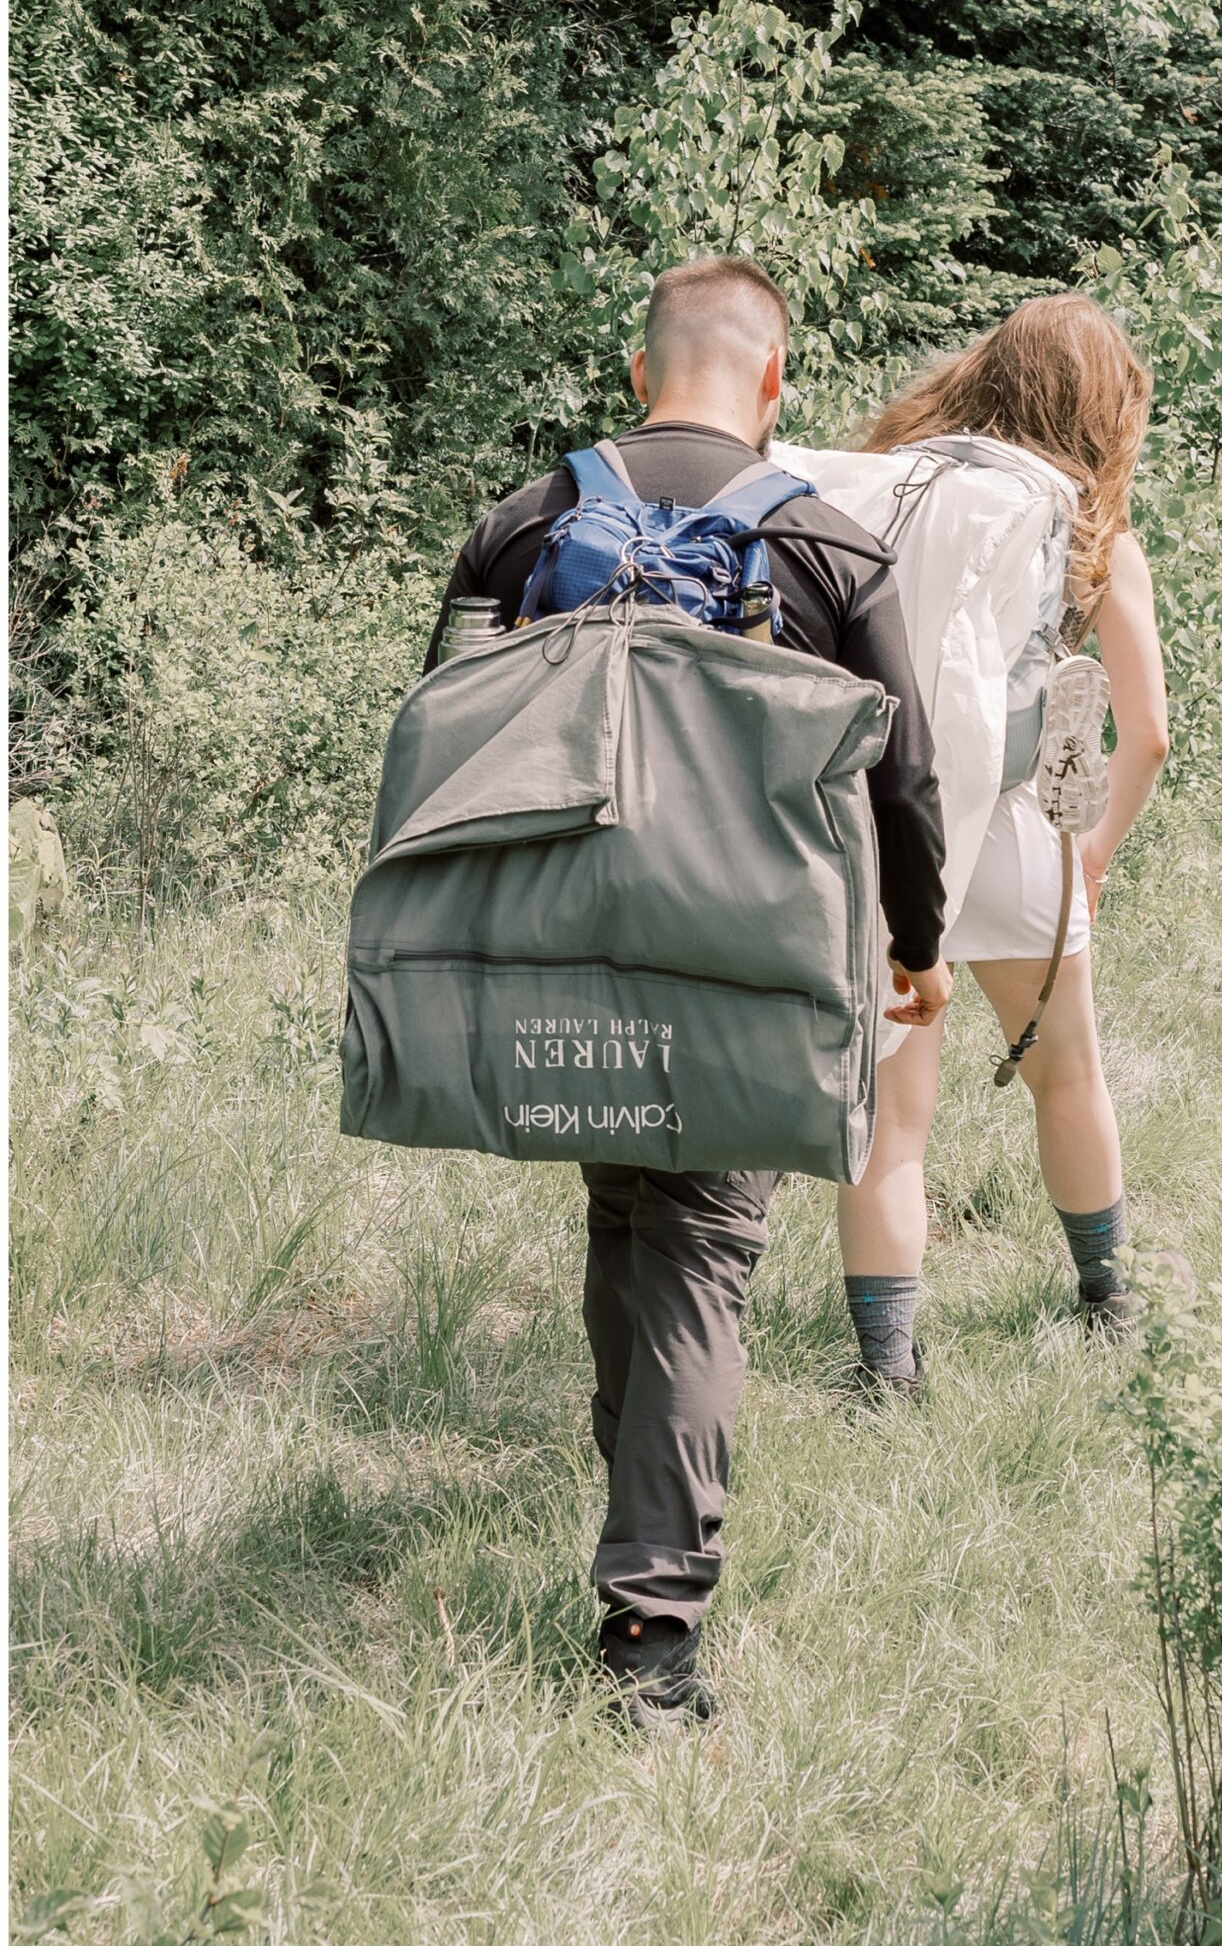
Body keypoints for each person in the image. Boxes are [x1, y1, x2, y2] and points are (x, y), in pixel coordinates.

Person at [427, 255, 952, 1724]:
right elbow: (904, 779)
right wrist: (917, 945)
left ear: (638, 367)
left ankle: (639, 1513)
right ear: (776, 381)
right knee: (703, 1254)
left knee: (627, 1213)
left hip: (569, 940)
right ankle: (653, 1637)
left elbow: (440, 728)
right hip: (750, 962)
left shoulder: (529, 523)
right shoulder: (833, 551)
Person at [798, 295, 1170, 1388]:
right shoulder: (1093, 541)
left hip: (888, 824)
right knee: (1066, 1075)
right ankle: (1108, 1297)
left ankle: (887, 1365)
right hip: (1016, 834)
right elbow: (1145, 733)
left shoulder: (899, 497)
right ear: (1103, 407)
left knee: (891, 1114)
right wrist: (1090, 851)